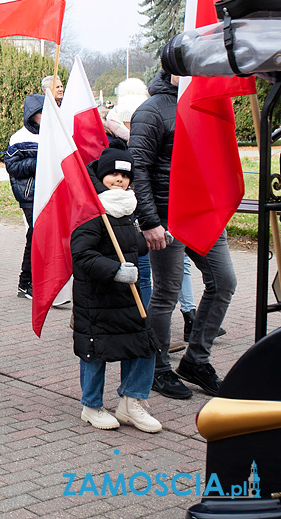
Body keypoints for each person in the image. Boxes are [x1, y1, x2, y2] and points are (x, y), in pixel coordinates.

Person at [129, 70, 237, 400]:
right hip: (167, 216)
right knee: (167, 293)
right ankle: (158, 368)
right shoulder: (151, 110)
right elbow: (138, 168)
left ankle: (195, 361)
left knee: (225, 281)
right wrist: (149, 221)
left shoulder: (206, 103)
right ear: (172, 68)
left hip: (203, 215)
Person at [71, 148, 161, 433]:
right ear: (100, 176)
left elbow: (128, 244)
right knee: (97, 351)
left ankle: (131, 402)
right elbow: (82, 255)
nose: (119, 180)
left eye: (125, 175)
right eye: (113, 174)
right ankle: (91, 405)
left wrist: (150, 242)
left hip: (127, 296)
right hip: (97, 297)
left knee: (145, 345)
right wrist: (115, 271)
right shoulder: (91, 210)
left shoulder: (127, 208)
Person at [4, 94, 45, 300]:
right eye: (39, 113)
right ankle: (26, 282)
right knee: (37, 236)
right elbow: (11, 167)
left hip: (50, 193)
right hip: (29, 195)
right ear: (31, 115)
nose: (43, 116)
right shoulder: (19, 138)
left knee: (43, 237)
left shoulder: (54, 134)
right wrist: (38, 163)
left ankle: (40, 282)